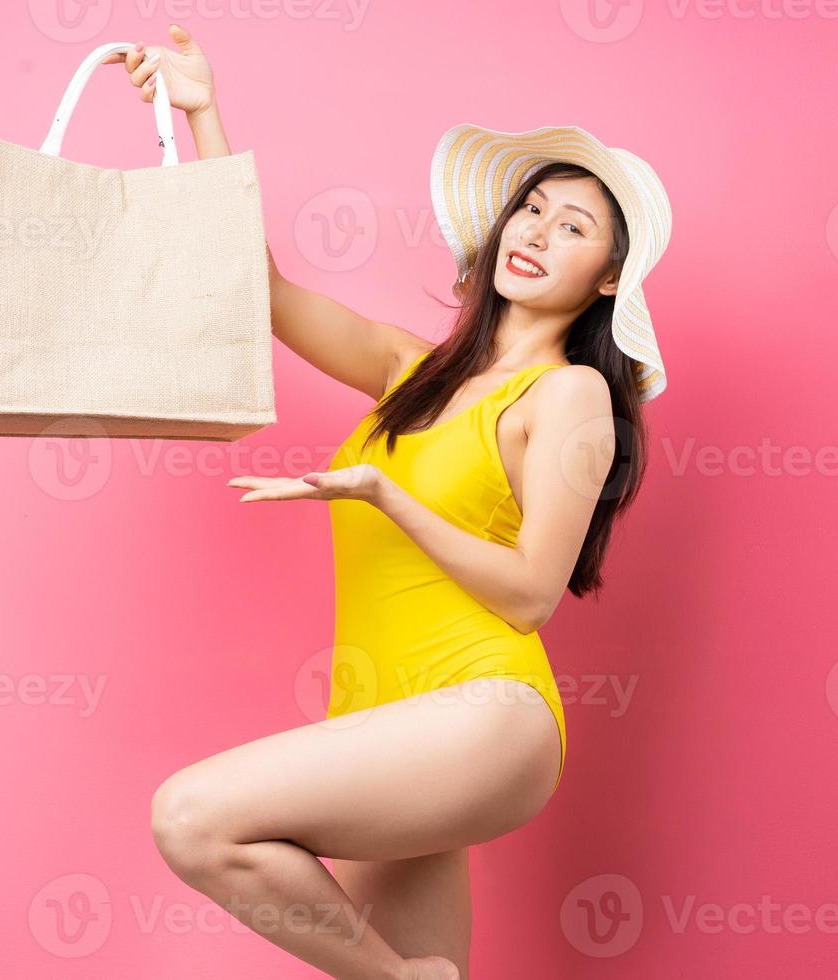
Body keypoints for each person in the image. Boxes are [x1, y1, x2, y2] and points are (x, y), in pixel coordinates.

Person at [107, 25, 672, 980]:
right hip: (386, 716)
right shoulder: (410, 371)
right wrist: (204, 111)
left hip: (484, 713)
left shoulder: (568, 396)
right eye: (531, 210)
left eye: (573, 227)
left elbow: (532, 596)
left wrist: (384, 494)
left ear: (610, 278)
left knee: (193, 817)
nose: (536, 232)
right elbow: (267, 290)